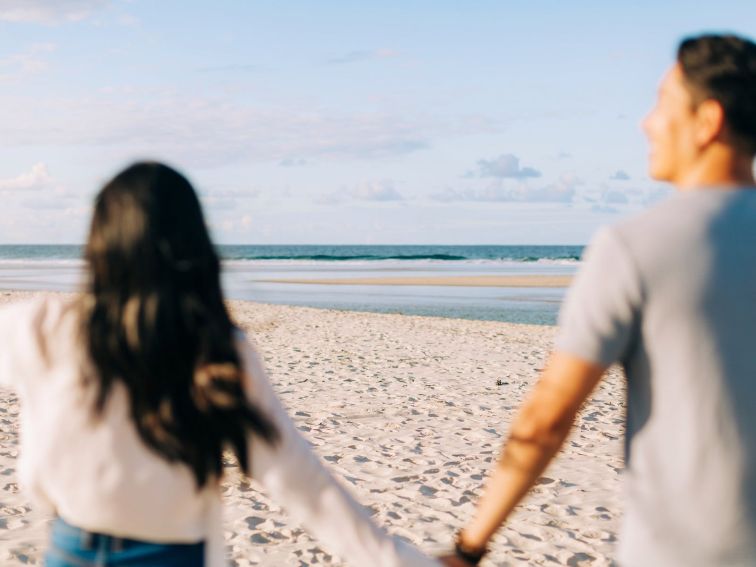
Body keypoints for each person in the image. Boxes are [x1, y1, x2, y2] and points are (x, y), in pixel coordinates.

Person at [0, 162, 439, 567]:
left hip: (72, 552)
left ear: (99, 241)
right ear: (194, 243)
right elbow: (302, 482)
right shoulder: (216, 350)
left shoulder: (40, 328)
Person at [441, 33, 756, 567]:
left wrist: (469, 547)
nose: (647, 123)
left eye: (662, 103)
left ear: (707, 122)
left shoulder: (637, 246)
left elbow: (548, 416)